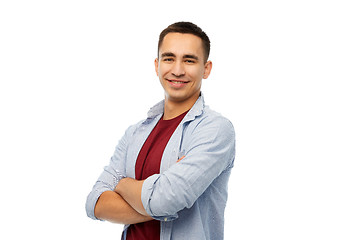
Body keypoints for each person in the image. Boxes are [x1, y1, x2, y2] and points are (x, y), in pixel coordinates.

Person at [86, 21, 236, 240]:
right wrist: (158, 195)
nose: (177, 70)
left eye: (189, 60)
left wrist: (122, 184)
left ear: (206, 69)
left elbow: (165, 201)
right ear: (157, 65)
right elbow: (95, 203)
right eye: (169, 58)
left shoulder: (215, 130)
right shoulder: (135, 133)